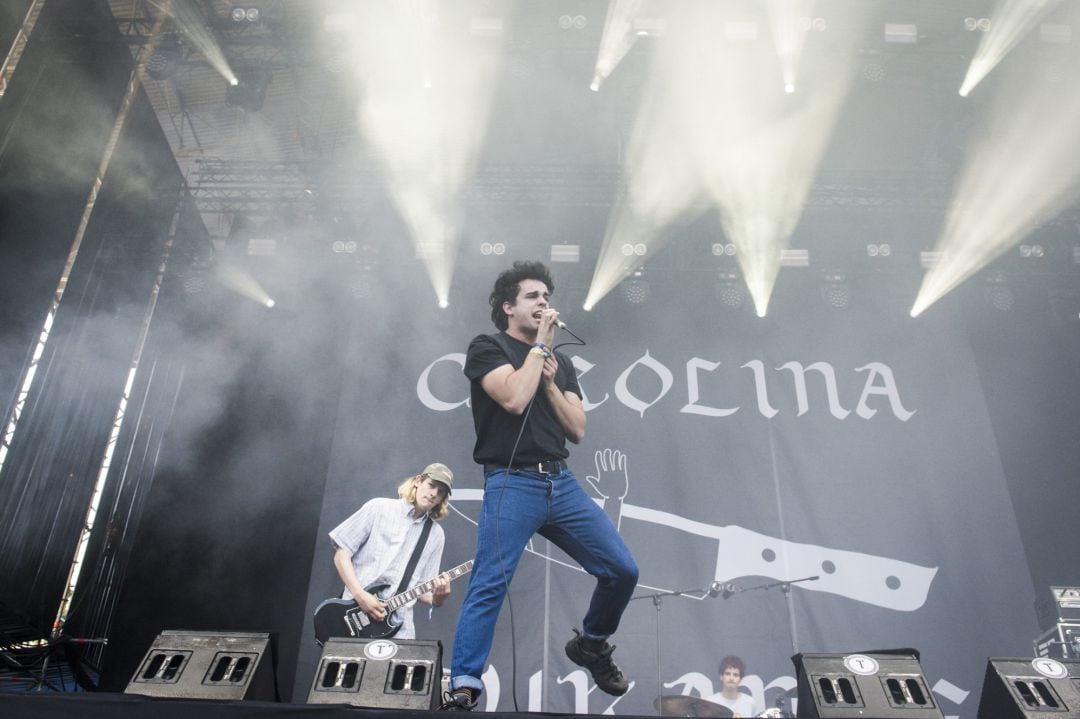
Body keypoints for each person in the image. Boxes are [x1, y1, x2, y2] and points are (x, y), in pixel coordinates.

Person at [440, 260, 639, 711]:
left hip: (560, 484)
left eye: (547, 298)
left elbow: (578, 429)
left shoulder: (561, 363)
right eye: (533, 297)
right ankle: (466, 680)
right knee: (491, 582)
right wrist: (538, 352)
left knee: (622, 570)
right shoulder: (486, 347)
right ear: (509, 306)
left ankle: (591, 645)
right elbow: (512, 398)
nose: (544, 304)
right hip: (512, 482)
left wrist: (551, 381)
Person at [328, 463, 454, 640]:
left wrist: (440, 597)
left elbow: (426, 594)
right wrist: (360, 595)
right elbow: (341, 554)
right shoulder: (379, 508)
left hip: (398, 630)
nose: (434, 494)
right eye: (431, 485)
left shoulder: (436, 534)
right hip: (353, 614)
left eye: (440, 492)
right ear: (418, 481)